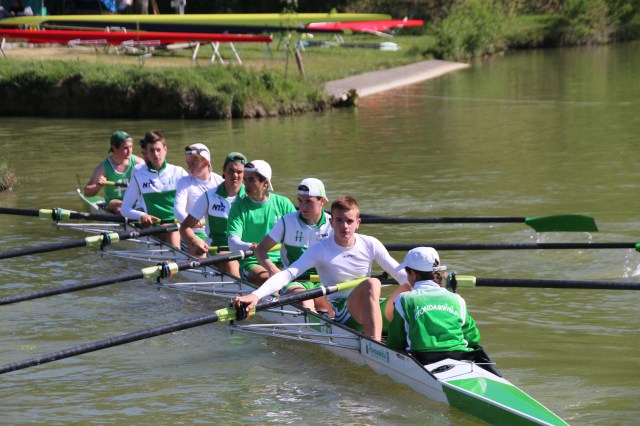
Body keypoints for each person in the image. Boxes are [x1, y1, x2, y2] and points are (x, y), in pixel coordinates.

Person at [233, 196, 408, 342]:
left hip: (369, 305)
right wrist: (255, 296)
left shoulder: (371, 243)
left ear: (358, 223)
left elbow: (400, 274)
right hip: (342, 310)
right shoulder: (320, 249)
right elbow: (288, 274)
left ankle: (410, 340)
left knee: (409, 287)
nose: (344, 226)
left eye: (349, 221)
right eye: (339, 221)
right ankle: (375, 344)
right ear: (331, 222)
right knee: (373, 283)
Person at [386, 247, 481, 364]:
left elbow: (395, 341)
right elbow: (473, 336)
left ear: (413, 274)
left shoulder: (404, 299)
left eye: (407, 273)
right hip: (460, 355)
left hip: (422, 359)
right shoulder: (457, 299)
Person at [254, 178, 333, 313]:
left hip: (322, 279)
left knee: (328, 305)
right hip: (293, 280)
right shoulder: (286, 222)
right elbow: (260, 250)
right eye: (300, 201)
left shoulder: (333, 224)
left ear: (322, 201)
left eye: (308, 202)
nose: (303, 207)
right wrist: (273, 270)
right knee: (305, 300)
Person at [226, 160, 296, 285]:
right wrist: (251, 246)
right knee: (271, 281)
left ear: (266, 183)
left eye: (251, 180)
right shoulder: (238, 207)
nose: (246, 185)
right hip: (252, 261)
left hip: (283, 260)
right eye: (245, 179)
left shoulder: (284, 203)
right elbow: (232, 243)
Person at [180, 152, 247, 277]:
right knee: (232, 263)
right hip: (219, 251)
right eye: (231, 170)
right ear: (223, 170)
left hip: (247, 250)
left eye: (239, 172)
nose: (235, 175)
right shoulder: (209, 196)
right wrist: (194, 240)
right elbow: (185, 227)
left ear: (245, 174)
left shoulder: (250, 198)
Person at [120, 130, 188, 248]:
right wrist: (141, 215)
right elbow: (124, 209)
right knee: (172, 231)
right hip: (157, 226)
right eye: (152, 150)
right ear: (146, 152)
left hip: (181, 223)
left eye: (158, 150)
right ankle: (178, 256)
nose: (156, 154)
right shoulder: (139, 177)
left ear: (165, 150)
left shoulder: (178, 172)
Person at [83, 130, 144, 214]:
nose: (129, 151)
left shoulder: (138, 162)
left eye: (131, 147)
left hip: (135, 201)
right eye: (125, 148)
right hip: (115, 203)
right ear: (114, 147)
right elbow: (86, 192)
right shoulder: (103, 167)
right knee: (120, 207)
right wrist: (97, 186)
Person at [173, 143, 223, 240]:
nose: (189, 167)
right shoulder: (185, 182)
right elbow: (178, 210)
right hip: (194, 232)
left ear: (206, 162)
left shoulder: (220, 182)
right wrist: (190, 222)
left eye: (193, 163)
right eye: (188, 163)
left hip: (216, 233)